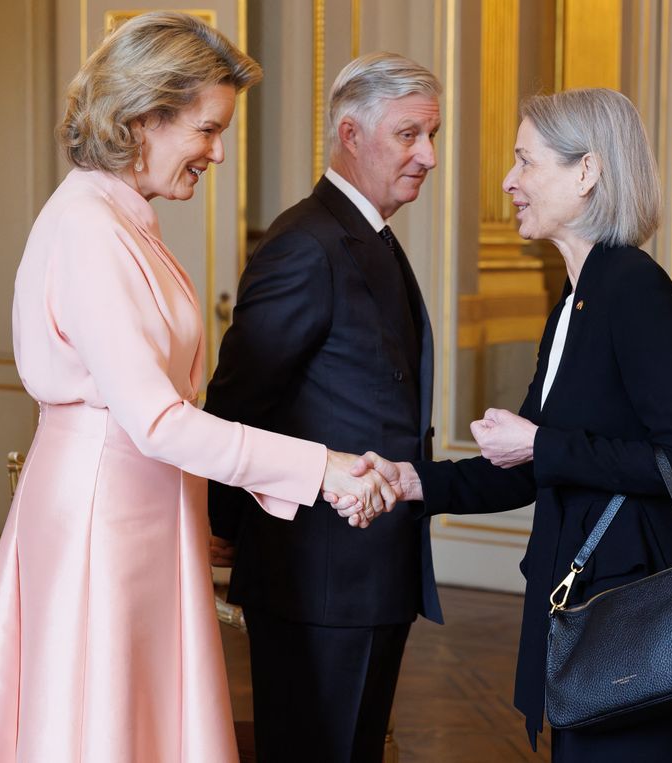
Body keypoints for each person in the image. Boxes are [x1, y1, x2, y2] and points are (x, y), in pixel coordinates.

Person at [0, 13, 393, 763]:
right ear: (143, 117)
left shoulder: (128, 219)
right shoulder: (90, 226)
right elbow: (157, 419)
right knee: (102, 725)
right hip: (103, 515)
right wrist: (321, 469)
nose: (217, 152)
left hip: (142, 508)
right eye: (206, 129)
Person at [342, 88, 672, 761]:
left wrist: (541, 442)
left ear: (587, 172)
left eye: (525, 162)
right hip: (590, 616)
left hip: (636, 621)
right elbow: (529, 464)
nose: (508, 181)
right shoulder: (575, 298)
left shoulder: (635, 291)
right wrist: (413, 480)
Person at [204, 52, 442, 762]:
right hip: (319, 578)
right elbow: (238, 398)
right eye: (409, 135)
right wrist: (223, 523)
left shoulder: (366, 235)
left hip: (366, 569)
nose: (428, 155)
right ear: (350, 133)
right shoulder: (306, 244)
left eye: (431, 135)